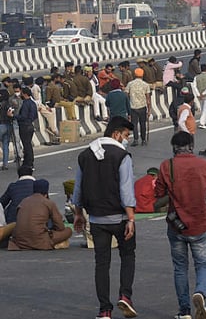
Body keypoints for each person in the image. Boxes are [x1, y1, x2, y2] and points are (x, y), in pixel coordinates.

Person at [72, 116, 138, 319]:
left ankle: (104, 310)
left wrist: (77, 215)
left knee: (101, 263)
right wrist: (131, 219)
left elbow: (78, 189)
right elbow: (126, 190)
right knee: (127, 255)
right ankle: (125, 296)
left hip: (96, 219)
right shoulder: (121, 155)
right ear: (116, 134)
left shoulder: (85, 155)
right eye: (125, 135)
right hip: (119, 217)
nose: (126, 139)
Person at [155, 131, 206, 319]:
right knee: (203, 265)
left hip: (177, 226)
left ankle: (184, 311)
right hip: (201, 223)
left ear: (174, 147)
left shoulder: (167, 166)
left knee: (180, 267)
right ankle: (200, 292)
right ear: (191, 146)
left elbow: (158, 194)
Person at [7, 179, 72, 250]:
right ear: (46, 192)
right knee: (68, 231)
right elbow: (60, 227)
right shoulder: (48, 203)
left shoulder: (24, 201)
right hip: (39, 241)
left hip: (20, 242)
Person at [124, 68, 151, 146]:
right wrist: (149, 110)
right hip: (142, 107)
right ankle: (143, 140)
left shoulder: (130, 84)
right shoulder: (146, 85)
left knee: (134, 124)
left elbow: (126, 95)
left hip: (133, 107)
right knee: (143, 124)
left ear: (135, 74)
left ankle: (136, 140)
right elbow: (148, 99)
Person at [16, 87, 36, 170]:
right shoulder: (32, 103)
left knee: (26, 145)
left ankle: (29, 162)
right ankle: (28, 162)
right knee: (28, 145)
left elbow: (23, 116)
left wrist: (14, 116)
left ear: (24, 94)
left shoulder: (25, 104)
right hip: (30, 125)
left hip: (24, 126)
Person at [193, 64, 206, 129]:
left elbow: (194, 86)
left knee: (202, 109)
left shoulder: (196, 77)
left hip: (199, 95)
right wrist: (204, 93)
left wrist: (198, 94)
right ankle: (202, 122)